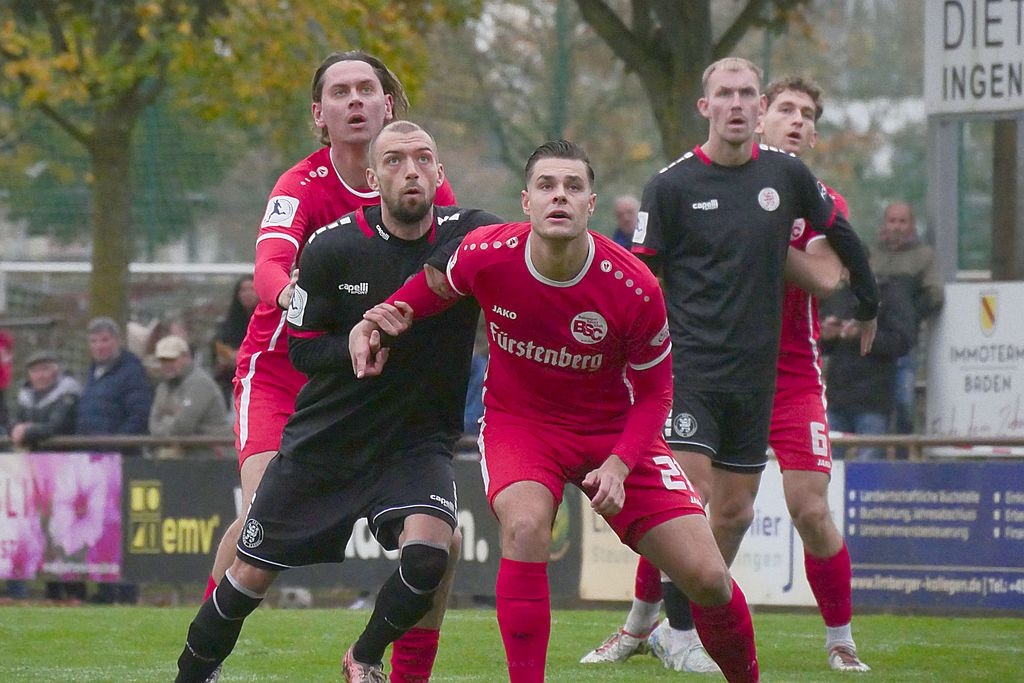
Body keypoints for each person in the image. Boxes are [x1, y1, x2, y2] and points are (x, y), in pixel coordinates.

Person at [353, 140, 761, 683]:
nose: (559, 196)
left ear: (591, 204)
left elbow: (656, 394)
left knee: (709, 578)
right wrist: (380, 317)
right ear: (527, 201)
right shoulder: (485, 253)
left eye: (573, 187)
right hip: (520, 426)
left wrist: (619, 463)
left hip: (613, 432)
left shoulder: (634, 286)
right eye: (546, 186)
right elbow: (433, 287)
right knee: (525, 528)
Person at [175, 121, 498, 683]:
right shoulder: (331, 248)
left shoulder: (471, 235)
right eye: (394, 160)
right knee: (249, 578)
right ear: (373, 179)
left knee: (432, 552)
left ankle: (364, 657)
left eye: (423, 159)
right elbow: (301, 349)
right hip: (327, 441)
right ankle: (192, 672)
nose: (411, 171)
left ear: (440, 173)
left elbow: (523, 255)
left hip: (414, 443)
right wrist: (349, 344)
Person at [582, 74, 876, 673]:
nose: (795, 121)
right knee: (683, 498)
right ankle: (649, 624)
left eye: (806, 115)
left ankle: (840, 640)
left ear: (811, 134)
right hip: (707, 363)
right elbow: (651, 269)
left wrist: (751, 233)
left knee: (801, 509)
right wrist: (740, 225)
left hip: (789, 375)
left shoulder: (812, 198)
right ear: (761, 120)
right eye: (786, 109)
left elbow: (827, 277)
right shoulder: (696, 183)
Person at [77, 315, 152, 605]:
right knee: (99, 526)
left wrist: (115, 446)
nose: (100, 345)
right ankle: (105, 590)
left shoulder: (131, 372)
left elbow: (138, 415)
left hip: (120, 461)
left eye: (105, 339)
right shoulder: (92, 372)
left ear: (117, 341)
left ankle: (125, 592)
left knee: (122, 527)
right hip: (94, 461)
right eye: (94, 340)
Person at [6, 349, 82, 600]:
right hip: (34, 474)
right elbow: (12, 423)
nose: (40, 375)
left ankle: (74, 591)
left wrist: (27, 431)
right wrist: (18, 428)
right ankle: (53, 591)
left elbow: (58, 426)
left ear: (55, 370)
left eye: (45, 369)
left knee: (65, 531)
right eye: (35, 370)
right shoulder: (25, 396)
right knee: (41, 530)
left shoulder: (68, 393)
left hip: (65, 471)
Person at [871, 201, 944, 449]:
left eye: (902, 221)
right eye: (892, 221)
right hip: (874, 343)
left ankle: (904, 454)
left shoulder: (924, 256)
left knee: (904, 402)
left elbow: (935, 294)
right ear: (884, 224)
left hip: (905, 344)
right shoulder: (872, 256)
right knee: (876, 407)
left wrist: (909, 315)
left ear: (912, 225)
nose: (897, 227)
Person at [822, 275, 915, 461]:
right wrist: (826, 335)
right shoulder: (838, 295)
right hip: (837, 397)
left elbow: (901, 342)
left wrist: (862, 334)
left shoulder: (890, 296)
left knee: (868, 464)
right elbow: (821, 345)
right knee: (827, 463)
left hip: (873, 399)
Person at [148, 334, 231, 458]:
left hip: (211, 456)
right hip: (182, 456)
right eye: (163, 360)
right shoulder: (163, 387)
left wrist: (166, 421)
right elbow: (153, 423)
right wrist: (169, 423)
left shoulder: (200, 383)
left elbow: (182, 426)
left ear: (186, 357)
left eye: (171, 359)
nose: (167, 364)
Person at [211, 275, 258, 408]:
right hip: (231, 384)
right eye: (243, 290)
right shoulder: (229, 324)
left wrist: (240, 356)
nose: (247, 294)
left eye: (251, 289)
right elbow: (219, 352)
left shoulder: (267, 321)